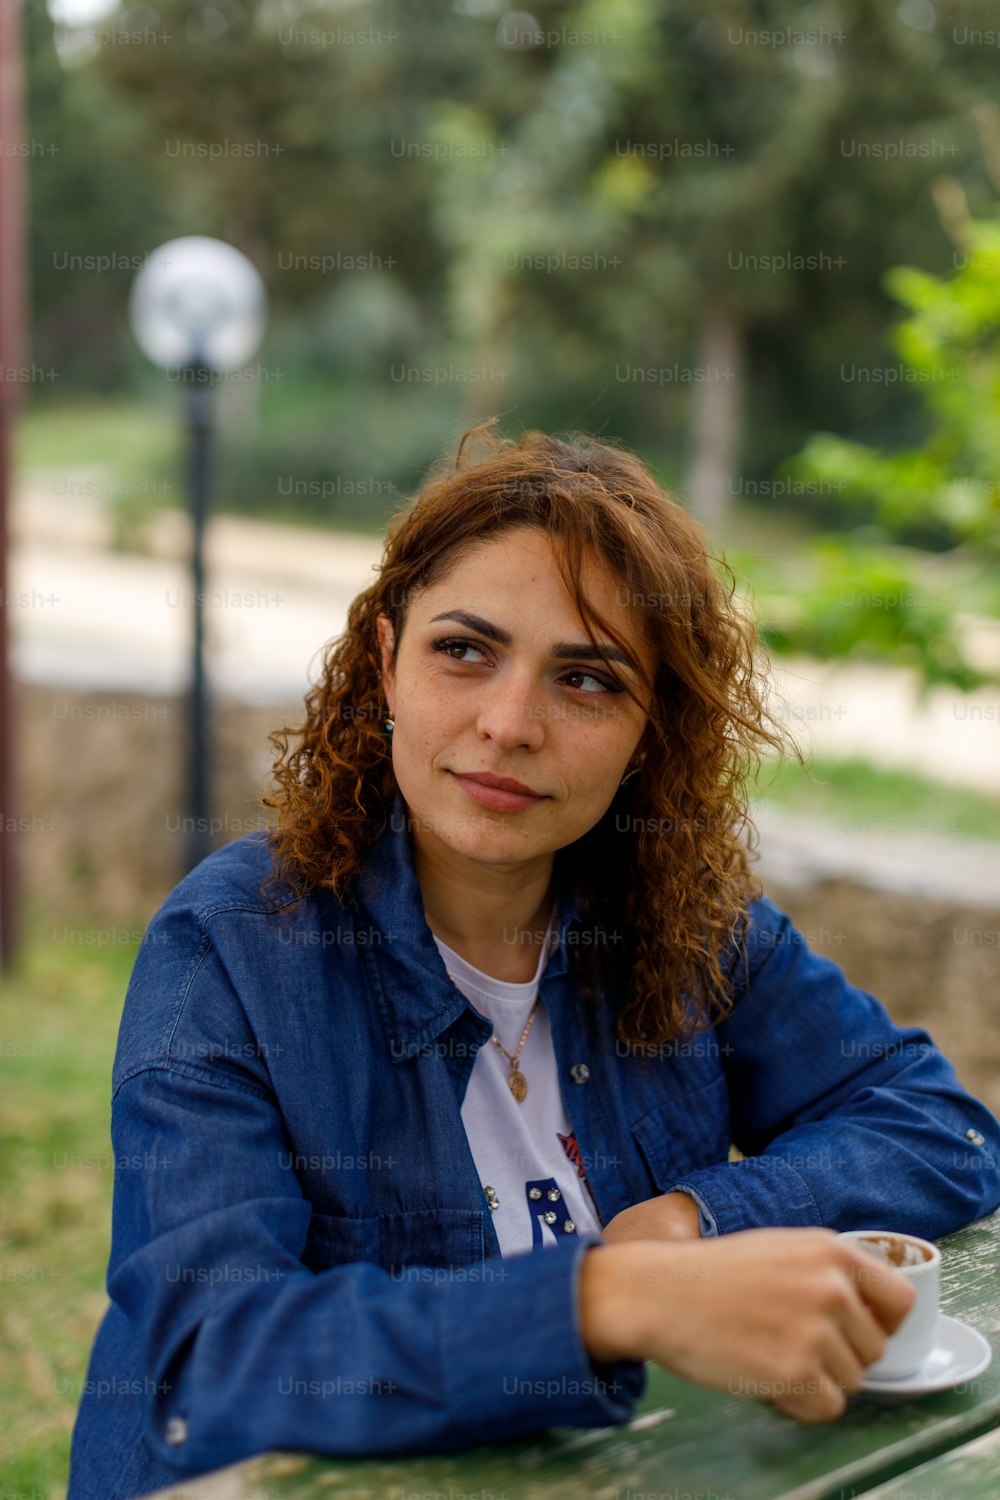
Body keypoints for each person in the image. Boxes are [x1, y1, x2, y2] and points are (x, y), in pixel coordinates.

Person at [68, 425, 1000, 1500]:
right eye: (464, 650)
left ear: (649, 732)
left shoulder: (679, 923)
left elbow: (942, 1128)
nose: (510, 725)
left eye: (588, 680)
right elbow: (212, 1361)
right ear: (384, 659)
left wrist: (694, 1222)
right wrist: (610, 1298)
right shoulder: (231, 947)